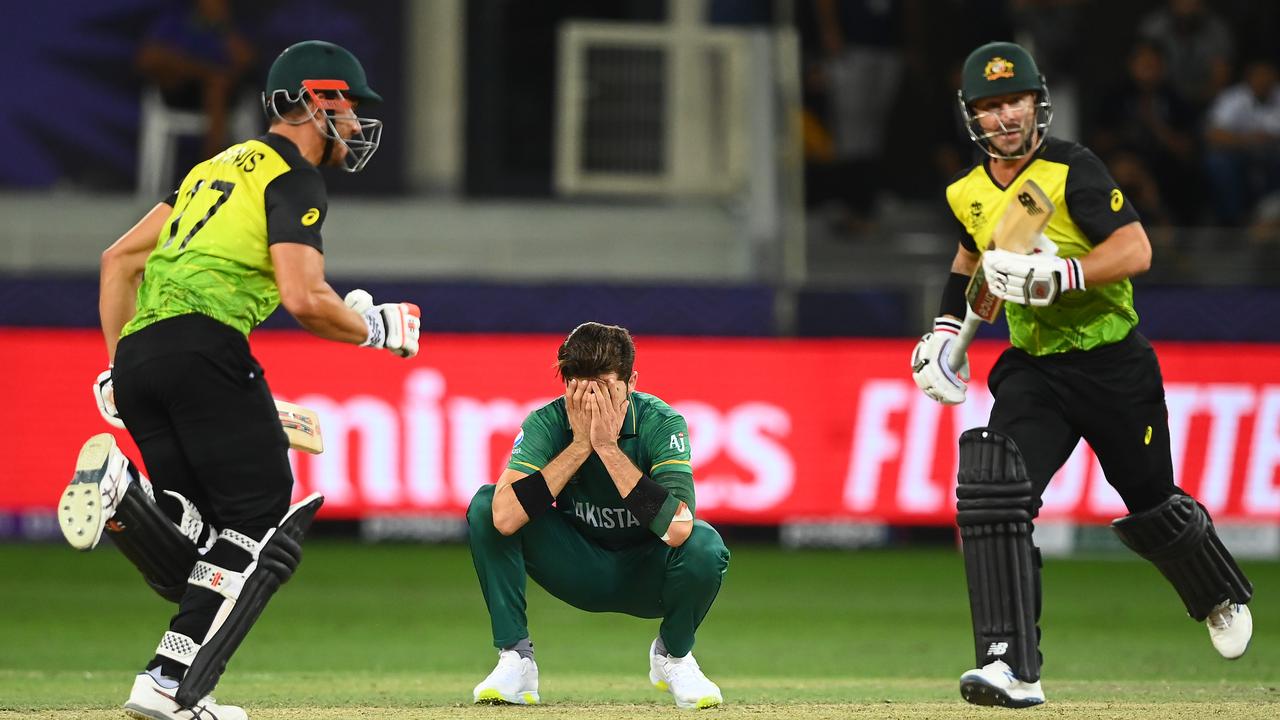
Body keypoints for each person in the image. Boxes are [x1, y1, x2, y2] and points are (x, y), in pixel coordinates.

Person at [56, 40, 419, 720]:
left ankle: (169, 677)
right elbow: (304, 298)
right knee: (262, 513)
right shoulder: (296, 178)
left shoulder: (211, 170)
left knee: (200, 534)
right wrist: (376, 331)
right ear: (312, 100)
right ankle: (165, 670)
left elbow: (118, 262)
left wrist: (117, 363)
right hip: (205, 346)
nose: (357, 118)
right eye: (346, 100)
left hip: (140, 359)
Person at [911, 41, 1254, 709]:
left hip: (1113, 364)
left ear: (1037, 103)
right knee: (992, 492)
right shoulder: (967, 190)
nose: (1005, 116)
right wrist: (947, 333)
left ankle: (1216, 592)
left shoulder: (1073, 170)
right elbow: (969, 260)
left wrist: (1058, 273)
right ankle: (1009, 665)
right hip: (1035, 370)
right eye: (989, 105)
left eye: (1014, 101)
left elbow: (1135, 248)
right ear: (971, 116)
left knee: (1152, 503)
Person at [466, 322, 730, 709]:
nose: (594, 402)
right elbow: (503, 518)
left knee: (705, 544)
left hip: (647, 572)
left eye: (605, 387)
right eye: (581, 388)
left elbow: (677, 529)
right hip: (577, 564)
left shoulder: (660, 423)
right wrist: (578, 446)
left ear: (631, 382)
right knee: (488, 503)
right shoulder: (548, 422)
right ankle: (516, 660)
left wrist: (607, 448)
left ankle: (673, 656)